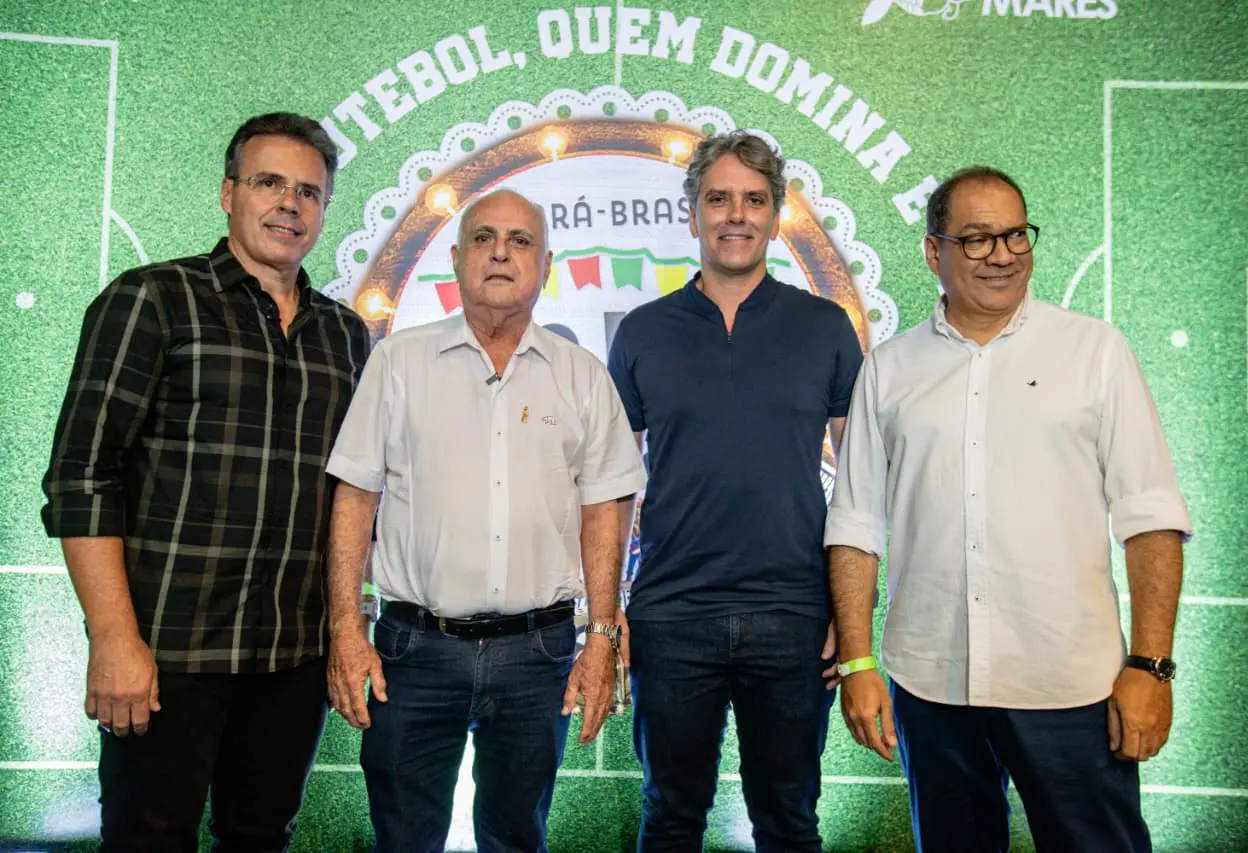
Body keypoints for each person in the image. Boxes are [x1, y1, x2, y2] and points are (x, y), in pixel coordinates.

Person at [824, 166, 1192, 853]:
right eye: (978, 239)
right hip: (931, 683)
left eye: (1016, 235)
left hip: (1072, 686)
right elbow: (854, 525)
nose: (1002, 254)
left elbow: (1150, 518)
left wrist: (1151, 665)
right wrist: (856, 662)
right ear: (934, 252)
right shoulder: (891, 368)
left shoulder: (1095, 351)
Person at [40, 112, 371, 851]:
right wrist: (114, 638)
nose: (290, 204)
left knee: (260, 837)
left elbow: (354, 494)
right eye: (269, 183)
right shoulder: (152, 300)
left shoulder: (345, 334)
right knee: (149, 838)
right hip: (167, 652)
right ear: (228, 193)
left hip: (291, 656)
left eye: (309, 192)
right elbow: (81, 477)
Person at [324, 188, 646, 853]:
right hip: (413, 652)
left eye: (520, 240)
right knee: (404, 839)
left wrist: (604, 635)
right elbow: (355, 497)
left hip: (539, 655)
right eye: (484, 237)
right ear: (456, 258)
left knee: (515, 839)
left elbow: (606, 511)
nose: (501, 251)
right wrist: (345, 630)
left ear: (546, 265)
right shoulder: (398, 362)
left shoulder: (582, 376)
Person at [606, 131, 864, 851]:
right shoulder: (643, 332)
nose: (736, 215)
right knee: (670, 816)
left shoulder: (825, 328)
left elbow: (862, 483)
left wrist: (851, 608)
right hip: (670, 612)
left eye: (754, 200)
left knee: (788, 820)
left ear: (776, 215)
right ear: (692, 213)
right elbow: (613, 488)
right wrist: (608, 609)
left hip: (793, 614)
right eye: (718, 198)